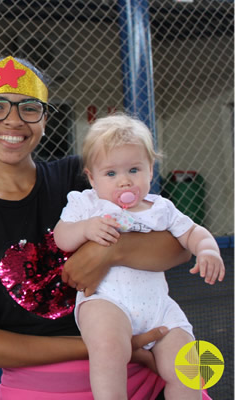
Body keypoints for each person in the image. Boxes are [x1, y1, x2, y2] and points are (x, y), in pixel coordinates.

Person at [0, 56, 196, 399]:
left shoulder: (79, 178)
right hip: (47, 384)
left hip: (141, 373)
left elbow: (178, 243)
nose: (13, 120)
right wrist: (103, 346)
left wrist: (111, 251)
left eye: (29, 108)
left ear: (44, 120)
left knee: (190, 377)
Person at [53, 113, 224, 400]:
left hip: (158, 308)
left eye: (134, 170)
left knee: (189, 368)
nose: (124, 182)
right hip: (106, 301)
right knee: (108, 350)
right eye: (111, 174)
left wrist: (207, 249)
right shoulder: (87, 203)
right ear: (91, 178)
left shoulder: (161, 208)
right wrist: (85, 228)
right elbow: (61, 236)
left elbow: (193, 232)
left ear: (150, 169)